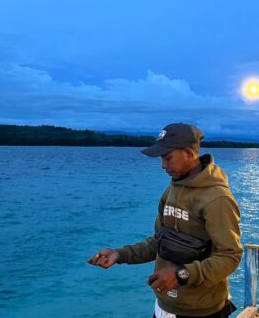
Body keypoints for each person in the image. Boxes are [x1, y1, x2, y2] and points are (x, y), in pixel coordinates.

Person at [88, 123, 242, 318]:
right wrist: (121, 254)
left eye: (168, 157)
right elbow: (159, 242)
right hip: (164, 305)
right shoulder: (171, 190)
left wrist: (181, 275)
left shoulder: (217, 199)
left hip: (201, 311)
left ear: (188, 153)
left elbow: (230, 256)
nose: (163, 165)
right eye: (162, 158)